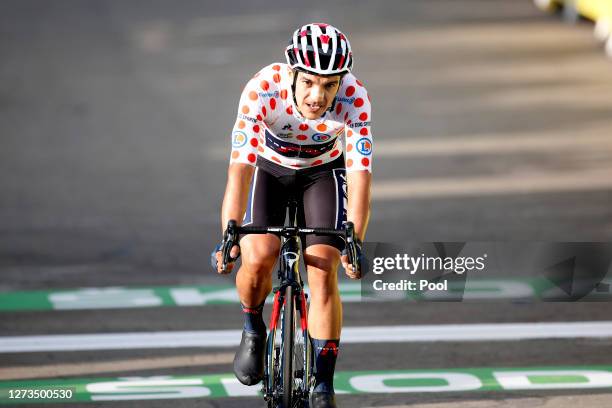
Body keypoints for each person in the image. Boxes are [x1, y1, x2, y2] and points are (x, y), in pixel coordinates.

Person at [212, 23, 372, 408]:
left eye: (329, 85)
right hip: (269, 168)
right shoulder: (262, 89)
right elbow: (240, 170)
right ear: (292, 75)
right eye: (310, 83)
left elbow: (360, 173)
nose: (318, 96)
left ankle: (323, 385)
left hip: (323, 171)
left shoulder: (356, 96)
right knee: (258, 255)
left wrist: (355, 239)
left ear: (341, 82)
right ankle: (253, 328)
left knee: (323, 267)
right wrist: (229, 235)